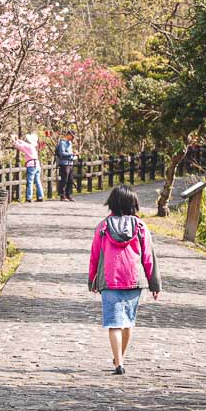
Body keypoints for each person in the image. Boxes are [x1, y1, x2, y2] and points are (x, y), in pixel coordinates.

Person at [88, 185, 161, 375]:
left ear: (112, 202)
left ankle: (118, 363)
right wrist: (155, 284)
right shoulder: (140, 226)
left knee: (113, 323)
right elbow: (148, 257)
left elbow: (95, 255)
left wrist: (92, 279)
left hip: (109, 280)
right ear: (133, 204)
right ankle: (121, 357)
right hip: (134, 280)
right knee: (128, 322)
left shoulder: (103, 226)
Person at [12, 133, 44, 203]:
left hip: (31, 165)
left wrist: (14, 140)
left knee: (30, 182)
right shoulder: (33, 147)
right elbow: (23, 143)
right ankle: (40, 196)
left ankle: (29, 198)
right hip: (37, 165)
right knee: (38, 181)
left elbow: (19, 146)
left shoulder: (29, 147)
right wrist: (18, 139)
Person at [55, 130, 76, 201]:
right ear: (68, 134)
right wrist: (71, 154)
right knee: (64, 180)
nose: (73, 138)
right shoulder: (62, 142)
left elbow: (70, 152)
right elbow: (62, 153)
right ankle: (62, 195)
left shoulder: (70, 143)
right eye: (72, 136)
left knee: (70, 180)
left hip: (70, 163)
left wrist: (74, 155)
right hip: (64, 163)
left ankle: (68, 194)